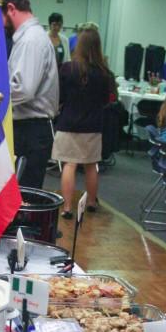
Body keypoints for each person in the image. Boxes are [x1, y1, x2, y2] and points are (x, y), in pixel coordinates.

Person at [0, 0, 59, 190]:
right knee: (20, 194)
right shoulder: (29, 38)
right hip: (28, 128)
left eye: (0, 15)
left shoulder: (31, 40)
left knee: (23, 197)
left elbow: (23, 88)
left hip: (31, 130)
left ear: (11, 9)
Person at [52, 27, 112, 218]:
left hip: (68, 123)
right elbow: (106, 100)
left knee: (69, 165)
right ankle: (92, 202)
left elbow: (59, 97)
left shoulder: (68, 69)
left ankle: (68, 207)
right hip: (93, 126)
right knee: (91, 165)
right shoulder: (104, 73)